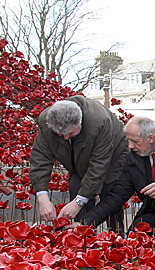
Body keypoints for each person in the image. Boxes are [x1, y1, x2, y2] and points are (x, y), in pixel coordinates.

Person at [30, 96, 128, 231]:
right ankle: (81, 239)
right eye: (60, 134)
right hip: (76, 161)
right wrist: (42, 198)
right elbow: (40, 158)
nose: (65, 137)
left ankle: (117, 237)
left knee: (110, 197)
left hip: (112, 157)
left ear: (80, 122)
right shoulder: (46, 122)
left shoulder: (99, 121)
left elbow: (99, 166)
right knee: (76, 190)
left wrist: (79, 202)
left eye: (69, 133)